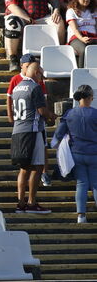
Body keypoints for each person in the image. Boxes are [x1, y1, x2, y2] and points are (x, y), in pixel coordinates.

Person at [10, 56, 52, 213]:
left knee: (24, 168)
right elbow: (41, 111)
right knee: (38, 166)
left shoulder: (17, 87)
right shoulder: (35, 88)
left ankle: (20, 203)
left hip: (18, 131)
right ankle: (32, 203)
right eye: (41, 74)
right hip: (32, 130)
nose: (42, 77)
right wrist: (52, 116)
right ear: (35, 73)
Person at [52, 84, 97, 223]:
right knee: (96, 183)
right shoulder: (95, 113)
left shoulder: (70, 114)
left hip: (76, 152)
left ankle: (81, 216)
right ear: (90, 98)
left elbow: (58, 134)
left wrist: (53, 145)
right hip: (94, 153)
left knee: (81, 183)